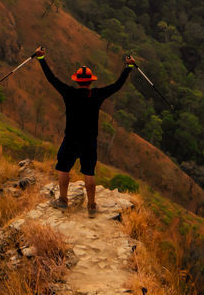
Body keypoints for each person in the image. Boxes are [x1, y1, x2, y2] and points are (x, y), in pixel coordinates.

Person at [33, 46, 135, 216]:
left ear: (77, 80)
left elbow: (52, 79)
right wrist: (128, 67)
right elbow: (117, 85)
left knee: (64, 168)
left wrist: (41, 59)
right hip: (89, 140)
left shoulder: (69, 93)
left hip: (71, 138)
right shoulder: (97, 95)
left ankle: (63, 201)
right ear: (91, 81)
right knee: (89, 172)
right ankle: (92, 206)